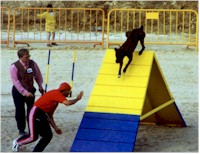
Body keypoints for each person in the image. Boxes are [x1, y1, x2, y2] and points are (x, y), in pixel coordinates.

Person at [12, 82, 84, 152]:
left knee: (48, 136)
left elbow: (50, 116)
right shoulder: (56, 93)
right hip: (35, 112)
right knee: (33, 137)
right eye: (68, 91)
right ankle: (17, 142)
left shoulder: (56, 101)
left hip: (42, 114)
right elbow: (67, 103)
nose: (69, 93)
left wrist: (55, 128)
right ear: (64, 90)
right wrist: (77, 99)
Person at [10, 48, 44, 136]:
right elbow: (16, 82)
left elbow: (38, 76)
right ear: (21, 57)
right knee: (20, 110)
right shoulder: (14, 66)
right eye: (26, 57)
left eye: (29, 56)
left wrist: (40, 86)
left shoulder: (32, 63)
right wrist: (25, 92)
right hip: (18, 92)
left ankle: (32, 128)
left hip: (30, 90)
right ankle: (21, 129)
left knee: (31, 111)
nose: (28, 58)